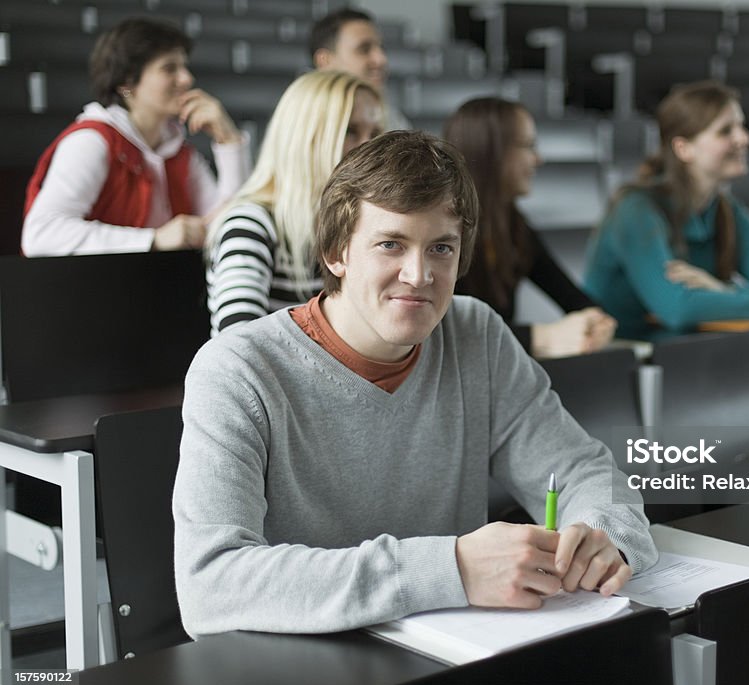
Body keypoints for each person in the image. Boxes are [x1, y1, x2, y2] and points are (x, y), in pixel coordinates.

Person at [173, 131, 656, 637]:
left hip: (461, 661)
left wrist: (604, 537)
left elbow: (582, 471)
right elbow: (211, 586)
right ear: (337, 253)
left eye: (441, 248)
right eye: (390, 245)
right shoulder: (237, 370)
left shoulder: (477, 335)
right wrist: (454, 569)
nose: (419, 274)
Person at [584, 81, 749, 340]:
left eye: (741, 127)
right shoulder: (635, 209)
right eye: (725, 131)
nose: (744, 139)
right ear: (684, 148)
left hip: (689, 353)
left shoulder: (725, 209)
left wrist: (721, 291)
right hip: (624, 358)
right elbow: (679, 308)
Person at [22, 18, 251, 256]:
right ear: (127, 84)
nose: (186, 79)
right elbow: (41, 235)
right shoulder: (92, 141)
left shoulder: (178, 152)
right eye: (169, 68)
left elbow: (234, 228)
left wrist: (229, 141)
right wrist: (154, 239)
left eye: (184, 67)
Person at [205, 70, 382, 335]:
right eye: (350, 131)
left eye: (376, 133)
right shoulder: (250, 223)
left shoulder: (359, 225)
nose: (370, 147)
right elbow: (237, 350)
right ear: (305, 137)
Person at [444, 97, 617, 359]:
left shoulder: (512, 224)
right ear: (493, 153)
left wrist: (595, 322)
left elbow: (574, 300)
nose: (537, 160)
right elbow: (448, 336)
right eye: (527, 146)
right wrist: (542, 338)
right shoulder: (443, 233)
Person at [308, 8, 411, 131]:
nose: (381, 59)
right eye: (364, 49)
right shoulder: (302, 119)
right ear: (324, 61)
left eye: (382, 48)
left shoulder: (393, 120)